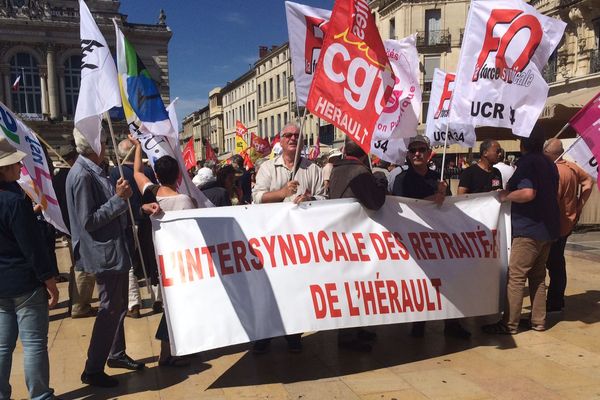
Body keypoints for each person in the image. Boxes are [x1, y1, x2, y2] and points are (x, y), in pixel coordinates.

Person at [66, 128, 145, 388]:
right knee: (110, 307)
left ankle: (115, 354)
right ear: (92, 146)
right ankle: (93, 368)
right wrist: (118, 199)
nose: (105, 144)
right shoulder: (81, 175)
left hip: (114, 249)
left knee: (118, 306)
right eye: (101, 140)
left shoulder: (93, 171)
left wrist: (124, 199)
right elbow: (88, 220)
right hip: (104, 253)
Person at [251, 122, 325, 353]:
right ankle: (264, 335)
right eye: (288, 135)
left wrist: (311, 200)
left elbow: (325, 199)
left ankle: (293, 333)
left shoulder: (313, 169)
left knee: (296, 288)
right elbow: (257, 198)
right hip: (273, 239)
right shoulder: (267, 168)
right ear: (280, 140)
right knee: (270, 288)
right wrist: (282, 193)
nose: (293, 138)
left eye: (297, 135)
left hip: (300, 241)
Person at [392, 135, 471, 339]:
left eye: (421, 150)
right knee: (420, 282)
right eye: (413, 150)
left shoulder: (438, 179)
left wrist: (444, 194)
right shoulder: (402, 180)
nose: (417, 153)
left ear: (429, 154)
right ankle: (419, 324)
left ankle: (452, 322)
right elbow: (402, 208)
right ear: (408, 155)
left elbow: (449, 207)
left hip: (438, 239)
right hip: (414, 241)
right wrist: (431, 199)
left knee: (447, 280)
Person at [483, 126, 560, 334]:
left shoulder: (527, 163)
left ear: (522, 144)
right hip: (548, 229)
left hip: (529, 228)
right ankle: (538, 321)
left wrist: (505, 195)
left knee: (516, 277)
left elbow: (527, 193)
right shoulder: (549, 163)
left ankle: (509, 324)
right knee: (538, 277)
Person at [0, 137, 59, 400]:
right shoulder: (14, 201)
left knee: (2, 346)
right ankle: (40, 395)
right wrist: (49, 279)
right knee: (34, 344)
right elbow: (32, 246)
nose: (19, 165)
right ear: (3, 170)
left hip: (1, 284)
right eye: (14, 163)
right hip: (25, 281)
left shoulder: (15, 200)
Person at [130, 136, 195, 367]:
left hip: (158, 260)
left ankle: (171, 350)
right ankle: (167, 353)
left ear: (156, 175)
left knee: (171, 305)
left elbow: (137, 172)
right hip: (182, 262)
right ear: (179, 175)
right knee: (176, 307)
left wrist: (138, 146)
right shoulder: (186, 201)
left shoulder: (150, 192)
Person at [328, 139, 387, 352]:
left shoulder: (337, 169)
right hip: (355, 238)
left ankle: (357, 329)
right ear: (364, 153)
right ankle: (348, 337)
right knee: (354, 287)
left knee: (355, 286)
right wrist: (380, 180)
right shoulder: (359, 172)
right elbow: (375, 201)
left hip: (345, 236)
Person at [109, 138, 159, 319]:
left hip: (129, 222)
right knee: (151, 258)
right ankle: (158, 298)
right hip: (146, 219)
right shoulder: (147, 171)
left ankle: (133, 304)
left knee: (129, 262)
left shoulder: (116, 172)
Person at [543, 138, 593, 312]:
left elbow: (551, 202)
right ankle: (556, 300)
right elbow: (589, 181)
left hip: (552, 226)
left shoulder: (554, 171)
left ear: (550, 153)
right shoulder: (572, 167)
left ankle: (552, 302)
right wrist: (579, 206)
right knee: (557, 263)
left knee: (550, 263)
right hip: (567, 223)